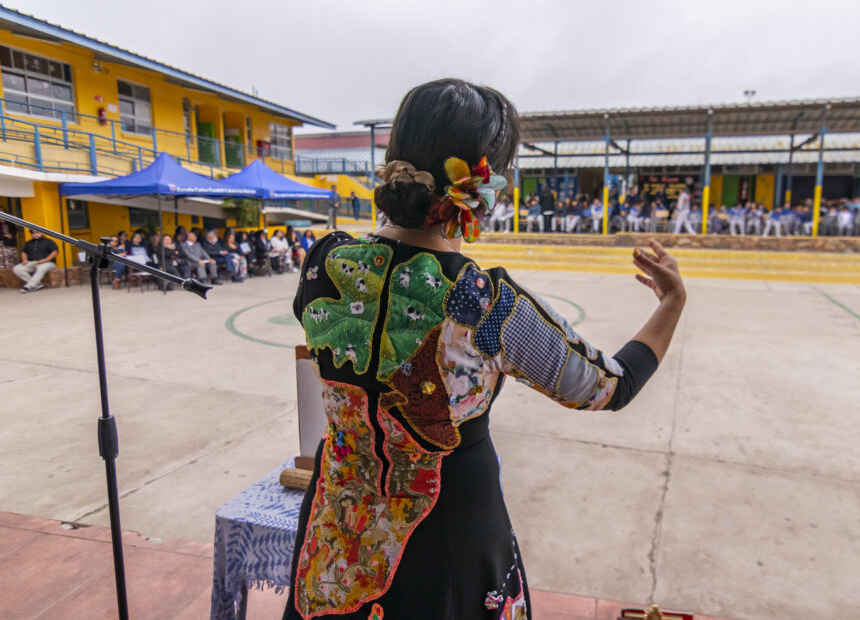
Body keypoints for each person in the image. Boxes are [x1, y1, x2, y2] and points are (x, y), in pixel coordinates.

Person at [285, 78, 685, 620]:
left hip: (337, 543)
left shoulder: (322, 261)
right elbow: (611, 386)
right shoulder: (487, 303)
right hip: (446, 546)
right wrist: (672, 302)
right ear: (481, 187)